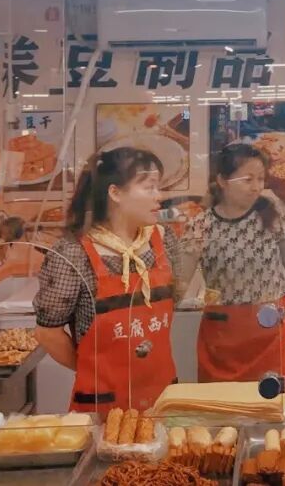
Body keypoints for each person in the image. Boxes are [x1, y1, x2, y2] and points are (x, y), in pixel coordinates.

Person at [33, 147, 182, 414]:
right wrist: (94, 370)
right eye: (149, 187)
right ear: (115, 193)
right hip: (101, 403)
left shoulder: (164, 240)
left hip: (162, 397)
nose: (159, 196)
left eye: (158, 187)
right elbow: (48, 333)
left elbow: (176, 296)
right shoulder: (73, 252)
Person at [183, 143, 285, 383]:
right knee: (222, 404)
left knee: (279, 401)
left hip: (274, 333)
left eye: (261, 179)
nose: (257, 187)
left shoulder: (273, 214)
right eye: (248, 179)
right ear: (222, 181)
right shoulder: (200, 225)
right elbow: (179, 284)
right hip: (224, 341)